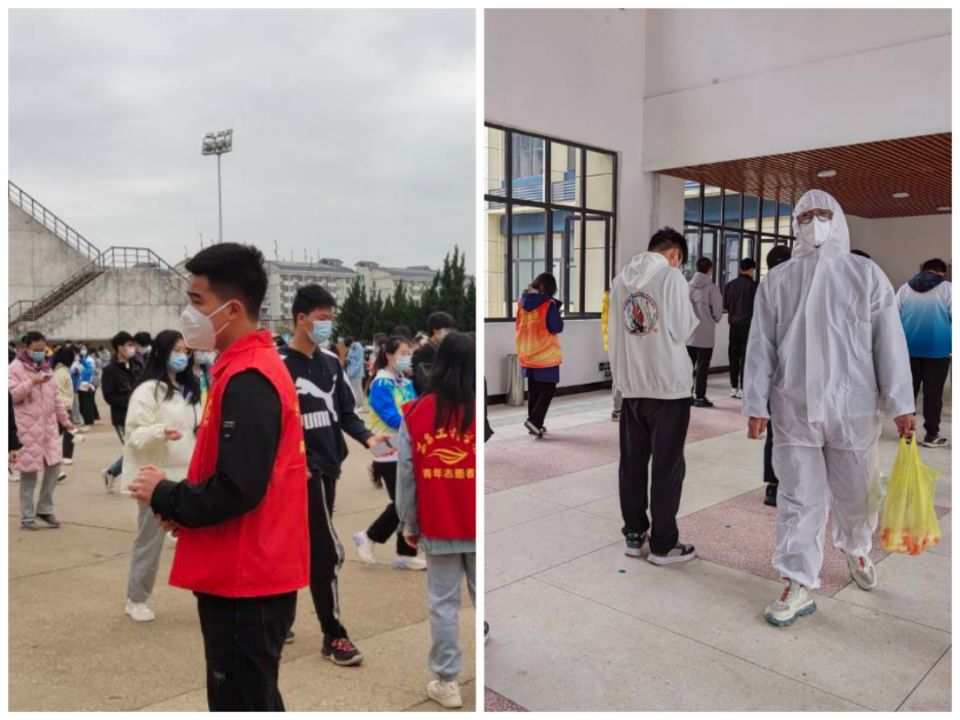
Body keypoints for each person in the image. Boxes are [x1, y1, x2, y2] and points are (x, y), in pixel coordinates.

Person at [127, 242, 309, 712]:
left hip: (247, 577)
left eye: (196, 300)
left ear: (232, 310)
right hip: (246, 565)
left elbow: (239, 486)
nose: (188, 314)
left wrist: (166, 494)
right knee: (252, 696)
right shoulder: (242, 369)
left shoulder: (250, 377)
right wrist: (185, 507)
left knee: (242, 701)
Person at [743, 189, 916, 627]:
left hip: (852, 407)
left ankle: (856, 548)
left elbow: (889, 342)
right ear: (795, 224)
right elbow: (761, 346)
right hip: (794, 406)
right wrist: (756, 403)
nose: (814, 222)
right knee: (798, 497)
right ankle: (797, 580)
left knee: (859, 493)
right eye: (805, 216)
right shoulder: (778, 280)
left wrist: (900, 403)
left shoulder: (865, 274)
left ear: (837, 219)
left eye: (822, 214)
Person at [280, 285, 392, 664]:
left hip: (327, 469)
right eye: (322, 318)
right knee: (324, 551)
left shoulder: (331, 362)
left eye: (330, 318)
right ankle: (334, 635)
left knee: (303, 545)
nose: (327, 325)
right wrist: (288, 463)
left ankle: (279, 620)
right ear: (302, 319)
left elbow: (345, 413)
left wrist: (367, 438)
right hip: (296, 473)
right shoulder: (278, 365)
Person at [608, 227, 698, 565]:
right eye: (680, 261)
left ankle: (634, 534)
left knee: (632, 465)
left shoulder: (620, 281)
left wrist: (621, 383)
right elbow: (682, 328)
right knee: (667, 467)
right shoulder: (672, 278)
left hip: (633, 388)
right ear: (675, 255)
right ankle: (663, 544)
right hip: (669, 389)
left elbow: (615, 335)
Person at [397, 332, 476, 709]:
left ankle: (448, 681)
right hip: (476, 524)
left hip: (438, 522)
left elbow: (406, 475)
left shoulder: (416, 413)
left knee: (443, 604)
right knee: (481, 595)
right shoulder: (477, 410)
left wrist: (409, 523)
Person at [120, 330, 200, 623]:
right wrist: (160, 431)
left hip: (186, 474)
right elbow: (134, 435)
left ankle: (208, 592)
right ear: (162, 352)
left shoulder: (189, 388)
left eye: (185, 351)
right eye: (176, 350)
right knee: (150, 540)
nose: (182, 356)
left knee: (199, 537)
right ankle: (137, 598)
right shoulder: (148, 391)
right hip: (155, 478)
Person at [353, 336, 424, 570]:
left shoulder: (404, 381)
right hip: (386, 448)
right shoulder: (381, 383)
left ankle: (405, 551)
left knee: (407, 502)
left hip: (406, 446)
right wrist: (418, 423)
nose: (407, 357)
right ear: (389, 355)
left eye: (409, 353)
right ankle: (370, 537)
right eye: (403, 353)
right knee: (403, 502)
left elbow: (417, 407)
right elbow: (391, 417)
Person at [9, 331, 77, 530]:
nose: (40, 353)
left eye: (42, 349)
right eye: (36, 349)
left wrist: (65, 420)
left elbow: (56, 398)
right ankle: (27, 516)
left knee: (54, 467)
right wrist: (31, 382)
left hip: (48, 429)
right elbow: (11, 396)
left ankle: (44, 509)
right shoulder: (14, 368)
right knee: (29, 474)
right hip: (27, 429)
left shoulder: (47, 368)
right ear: (26, 347)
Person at [897, 257, 952, 448]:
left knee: (907, 392)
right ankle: (931, 435)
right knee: (933, 394)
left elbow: (893, 318)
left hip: (907, 350)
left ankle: (906, 434)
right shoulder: (948, 289)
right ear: (942, 273)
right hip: (938, 351)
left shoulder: (905, 289)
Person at [760, 244, 793, 507]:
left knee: (776, 432)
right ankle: (783, 484)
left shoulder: (767, 286)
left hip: (776, 377)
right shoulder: (797, 287)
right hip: (793, 375)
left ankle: (774, 485)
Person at [516, 272, 563, 438]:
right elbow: (556, 327)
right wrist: (557, 313)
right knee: (549, 388)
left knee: (534, 389)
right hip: (545, 354)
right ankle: (535, 421)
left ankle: (534, 423)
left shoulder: (521, 303)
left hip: (527, 352)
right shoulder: (548, 304)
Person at [101, 331, 140, 492]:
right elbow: (109, 396)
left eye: (133, 345)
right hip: (122, 417)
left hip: (139, 414)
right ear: (119, 347)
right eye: (129, 345)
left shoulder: (137, 366)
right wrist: (130, 402)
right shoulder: (110, 370)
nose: (132, 348)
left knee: (138, 448)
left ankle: (111, 472)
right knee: (133, 449)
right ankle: (114, 473)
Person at [687, 257, 723, 408]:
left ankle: (686, 395)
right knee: (703, 367)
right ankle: (700, 397)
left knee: (687, 366)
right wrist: (714, 318)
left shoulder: (687, 286)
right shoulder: (712, 288)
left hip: (688, 333)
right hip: (705, 334)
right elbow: (717, 312)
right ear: (710, 269)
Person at [723, 257, 757, 399]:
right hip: (748, 326)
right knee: (746, 357)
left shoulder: (729, 285)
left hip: (733, 326)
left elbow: (725, 305)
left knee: (733, 357)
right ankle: (743, 388)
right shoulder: (754, 286)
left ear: (739, 269)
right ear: (751, 270)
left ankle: (733, 387)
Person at [52, 346, 81, 480]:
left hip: (64, 407)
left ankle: (64, 458)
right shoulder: (60, 372)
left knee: (66, 433)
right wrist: (64, 406)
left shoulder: (62, 371)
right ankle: (61, 461)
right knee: (58, 437)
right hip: (62, 408)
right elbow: (57, 391)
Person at [413, 311, 456, 396]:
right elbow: (423, 381)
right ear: (435, 331)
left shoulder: (443, 349)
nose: (450, 333)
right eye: (447, 330)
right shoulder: (424, 352)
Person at [76, 344, 98, 427]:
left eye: (84, 348)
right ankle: (88, 419)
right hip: (81, 384)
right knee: (83, 403)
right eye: (81, 349)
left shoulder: (87, 360)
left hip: (86, 384)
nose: (83, 350)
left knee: (86, 403)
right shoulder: (78, 360)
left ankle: (89, 420)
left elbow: (89, 370)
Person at [345, 336, 366, 410]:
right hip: (350, 371)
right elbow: (349, 357)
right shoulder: (351, 348)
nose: (349, 347)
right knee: (353, 388)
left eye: (349, 345)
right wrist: (348, 360)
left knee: (358, 388)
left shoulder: (359, 348)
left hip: (357, 372)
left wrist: (354, 371)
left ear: (352, 342)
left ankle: (360, 404)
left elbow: (360, 362)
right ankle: (356, 403)